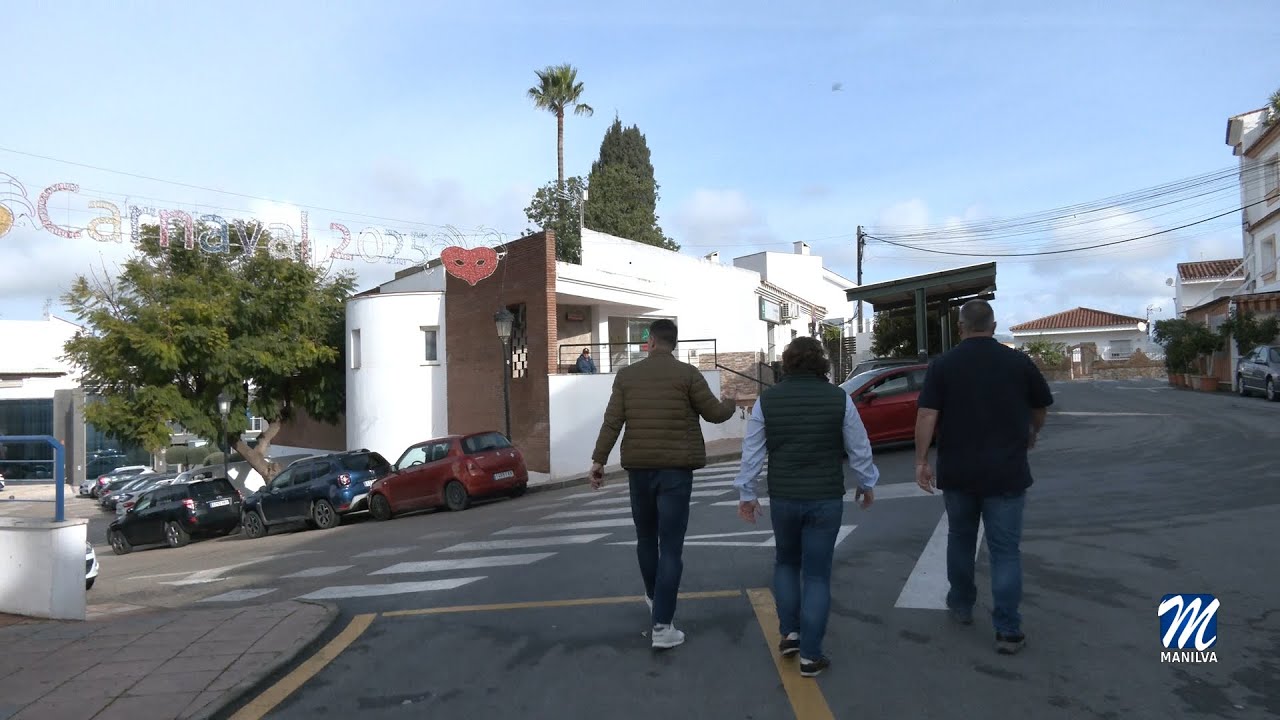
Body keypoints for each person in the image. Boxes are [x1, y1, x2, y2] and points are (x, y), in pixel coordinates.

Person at [913, 299, 1053, 655]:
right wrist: (1032, 432)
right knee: (1005, 551)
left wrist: (921, 461)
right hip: (1007, 471)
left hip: (958, 472)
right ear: (993, 325)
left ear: (961, 327)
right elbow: (1039, 406)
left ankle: (961, 606)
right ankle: (1007, 630)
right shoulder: (1018, 362)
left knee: (960, 539)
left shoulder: (943, 365)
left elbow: (927, 414)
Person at [734, 336, 880, 677]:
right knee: (816, 574)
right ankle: (811, 656)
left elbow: (752, 453)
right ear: (821, 364)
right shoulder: (838, 398)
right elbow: (859, 446)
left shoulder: (766, 401)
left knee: (786, 562)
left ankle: (791, 633)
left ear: (787, 363)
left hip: (784, 497)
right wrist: (866, 483)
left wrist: (747, 494)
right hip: (825, 498)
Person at [590, 319, 737, 650]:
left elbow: (612, 421)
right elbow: (714, 414)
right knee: (670, 546)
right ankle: (662, 625)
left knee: (645, 538)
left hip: (639, 469)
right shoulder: (688, 375)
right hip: (676, 471)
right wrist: (731, 401)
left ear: (651, 343)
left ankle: (654, 599)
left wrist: (598, 461)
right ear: (673, 343)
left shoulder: (627, 376)